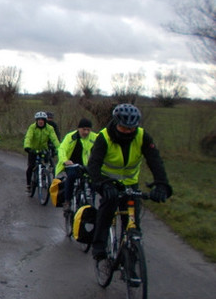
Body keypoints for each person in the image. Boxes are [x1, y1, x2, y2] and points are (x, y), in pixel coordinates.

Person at [86, 104, 172, 260]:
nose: (128, 131)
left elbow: (155, 161)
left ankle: (132, 257)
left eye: (131, 128)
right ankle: (98, 246)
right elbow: (93, 165)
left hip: (131, 184)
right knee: (107, 210)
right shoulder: (104, 137)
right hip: (107, 182)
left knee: (133, 224)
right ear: (116, 123)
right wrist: (101, 184)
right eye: (124, 128)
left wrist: (161, 184)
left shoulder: (142, 136)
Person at [55, 117, 97, 211]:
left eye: (88, 130)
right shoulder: (70, 137)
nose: (86, 132)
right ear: (79, 129)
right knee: (71, 177)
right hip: (72, 164)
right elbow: (62, 149)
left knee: (93, 182)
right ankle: (67, 201)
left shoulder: (95, 137)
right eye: (84, 129)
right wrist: (65, 160)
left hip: (87, 166)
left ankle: (91, 205)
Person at [23, 111, 60, 193]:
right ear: (36, 121)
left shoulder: (49, 128)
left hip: (43, 149)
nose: (40, 121)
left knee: (46, 163)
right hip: (33, 149)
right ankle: (28, 184)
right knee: (31, 166)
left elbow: (54, 139)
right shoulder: (32, 127)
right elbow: (28, 137)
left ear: (45, 121)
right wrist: (27, 147)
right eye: (38, 120)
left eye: (42, 120)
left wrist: (59, 149)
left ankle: (44, 175)